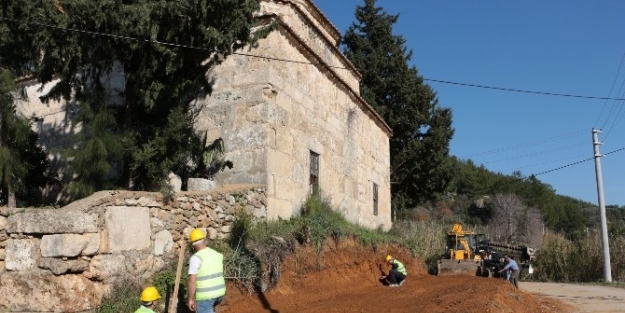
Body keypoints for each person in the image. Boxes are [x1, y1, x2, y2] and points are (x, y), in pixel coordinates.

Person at [187, 228, 226, 313]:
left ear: (192, 246)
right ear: (205, 241)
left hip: (206, 297)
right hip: (220, 294)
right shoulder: (217, 254)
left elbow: (192, 281)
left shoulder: (196, 258)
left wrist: (190, 299)